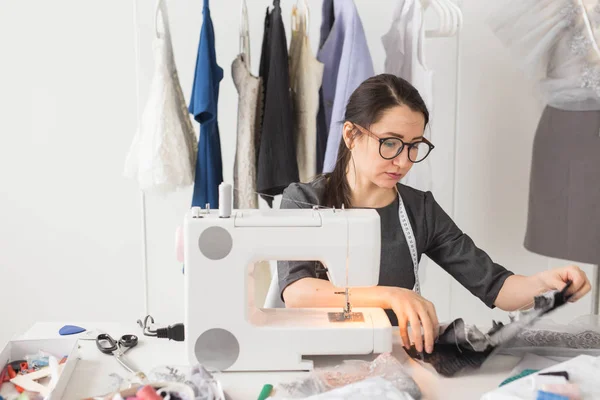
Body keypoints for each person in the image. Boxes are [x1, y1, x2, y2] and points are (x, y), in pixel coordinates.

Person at [277, 74, 591, 356]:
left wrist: (545, 282)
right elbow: (298, 292)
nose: (402, 161)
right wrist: (391, 296)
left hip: (392, 358)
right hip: (315, 356)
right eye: (390, 143)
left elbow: (499, 289)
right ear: (351, 135)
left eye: (414, 146)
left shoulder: (419, 209)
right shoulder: (304, 201)